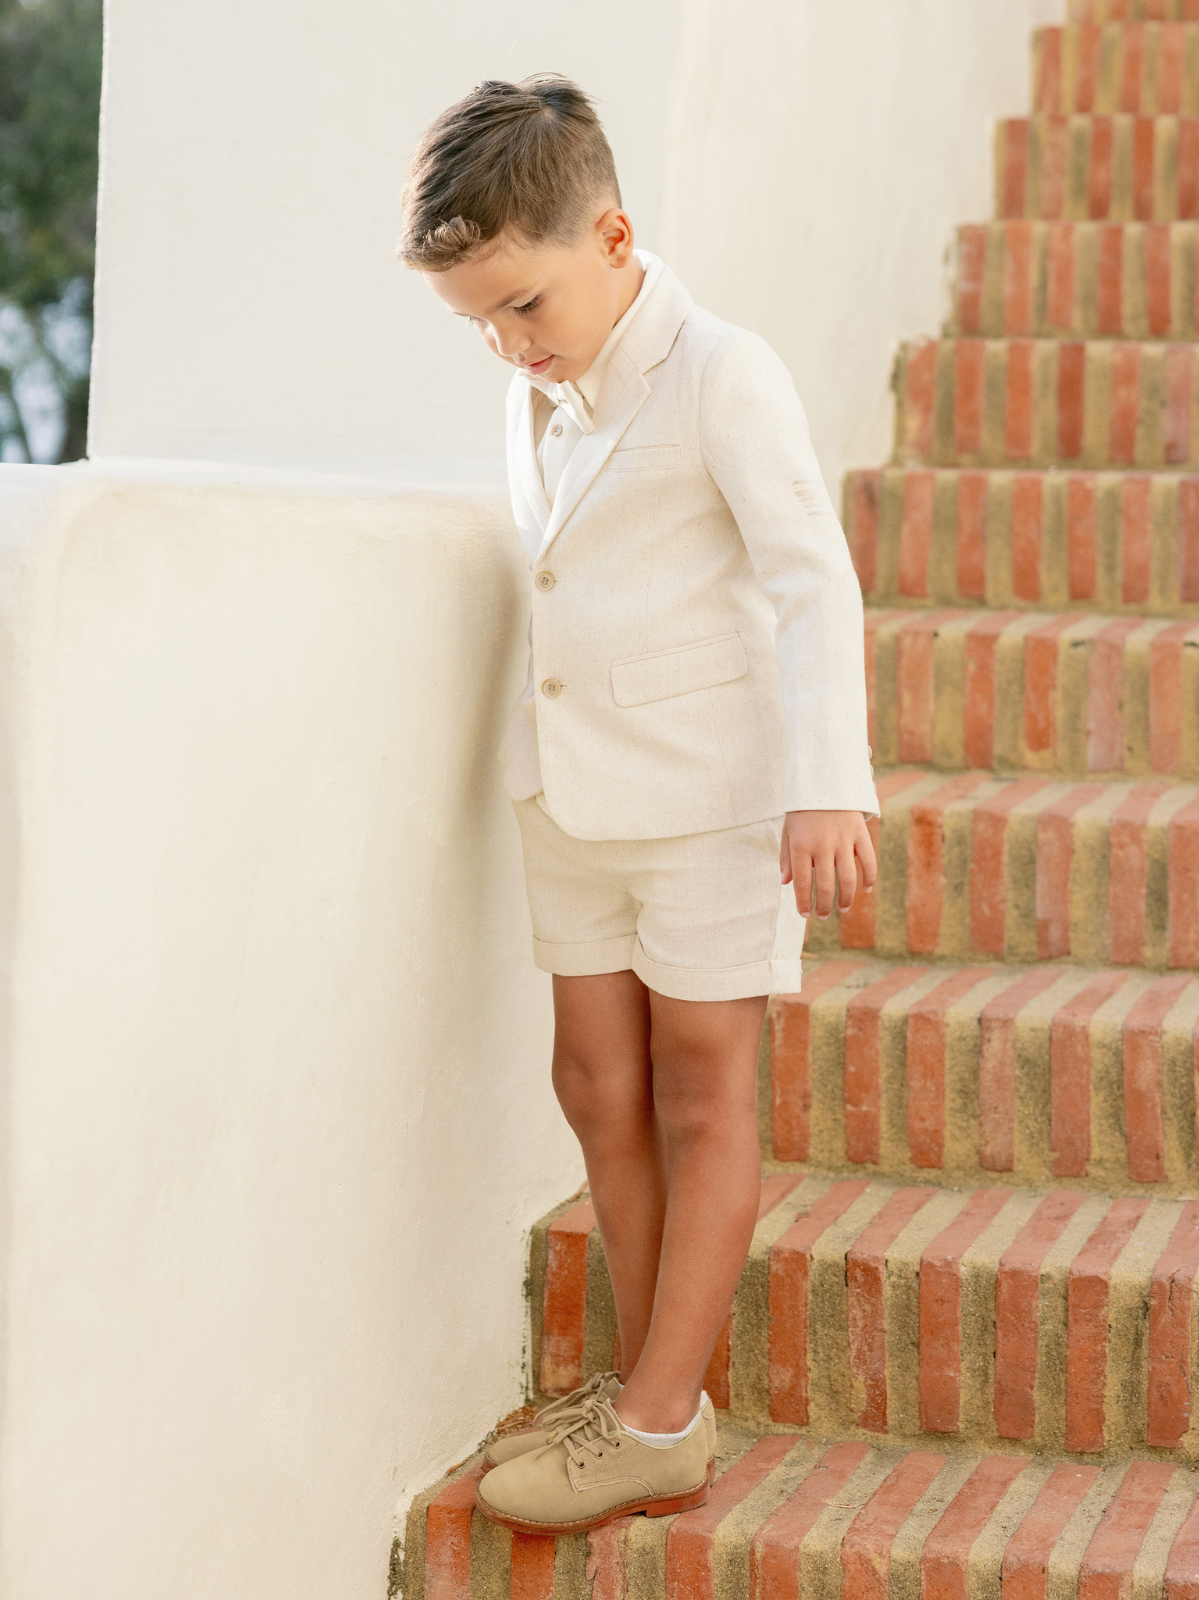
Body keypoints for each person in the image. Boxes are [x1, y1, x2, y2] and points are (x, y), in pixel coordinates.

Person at [398, 74, 878, 1537]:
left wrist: (822, 786)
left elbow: (809, 579)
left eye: (524, 307)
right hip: (573, 802)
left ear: (611, 237)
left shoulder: (723, 371)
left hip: (714, 806)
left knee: (696, 1093)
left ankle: (663, 1417)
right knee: (593, 1089)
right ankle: (647, 1384)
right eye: (477, 321)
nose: (507, 344)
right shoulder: (535, 388)